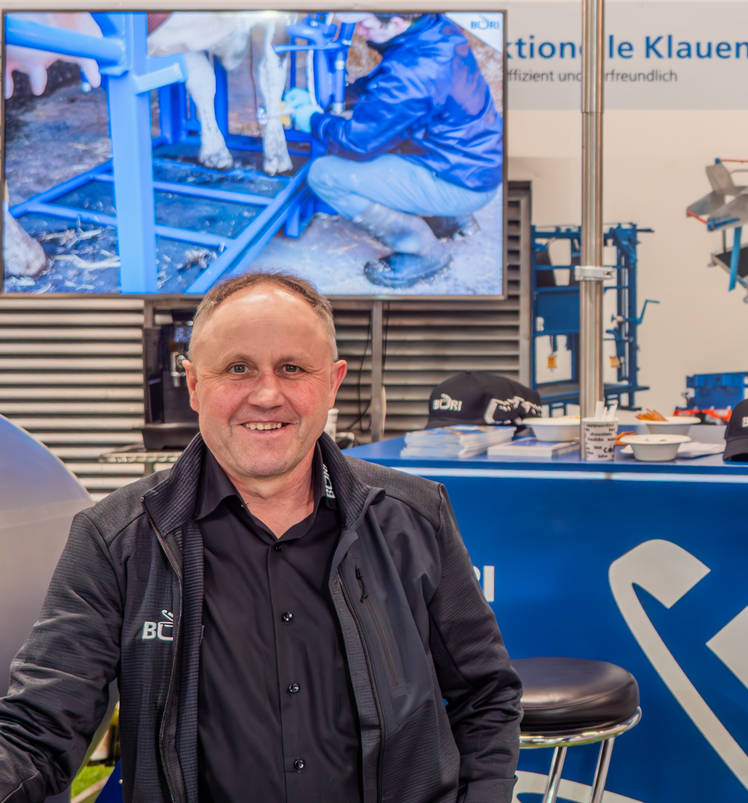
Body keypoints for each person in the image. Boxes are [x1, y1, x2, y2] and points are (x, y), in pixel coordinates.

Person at [0, 272, 523, 803]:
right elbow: (39, 729)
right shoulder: (115, 540)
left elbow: (486, 696)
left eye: (292, 368)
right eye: (238, 368)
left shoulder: (414, 516)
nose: (268, 395)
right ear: (194, 384)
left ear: (333, 382)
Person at [284, 13, 503, 289]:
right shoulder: (435, 29)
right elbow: (384, 86)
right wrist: (337, 95)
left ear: (397, 23)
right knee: (377, 133)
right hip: (473, 163)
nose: (358, 30)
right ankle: (449, 219)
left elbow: (355, 144)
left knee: (324, 174)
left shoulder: (413, 73)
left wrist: (314, 120)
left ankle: (423, 253)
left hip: (459, 182)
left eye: (367, 24)